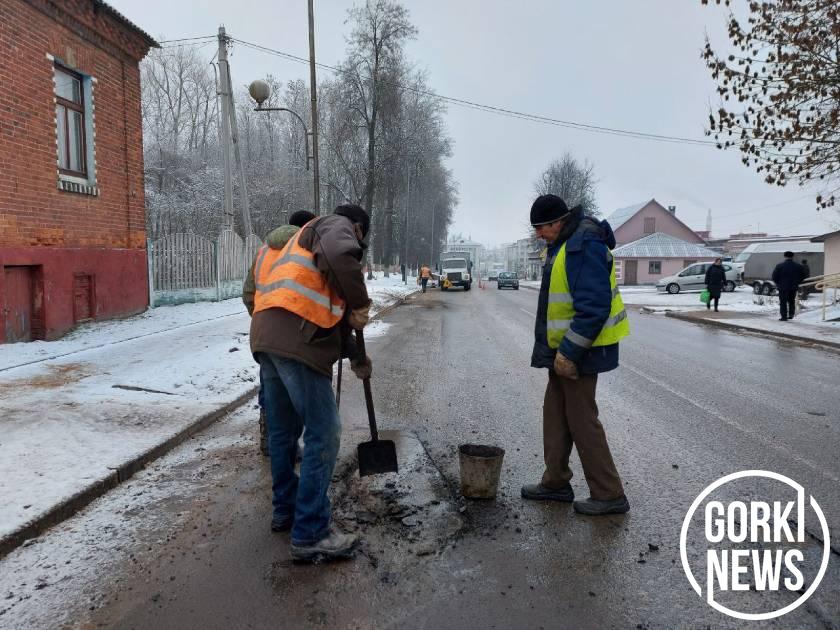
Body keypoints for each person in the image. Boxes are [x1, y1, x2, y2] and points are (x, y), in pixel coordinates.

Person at [249, 204, 373, 562]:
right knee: (324, 431)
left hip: (266, 338)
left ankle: (286, 511)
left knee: (282, 432)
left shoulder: (288, 247)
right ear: (358, 228)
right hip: (297, 341)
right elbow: (340, 256)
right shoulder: (335, 225)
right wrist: (360, 302)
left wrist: (356, 356)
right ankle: (311, 531)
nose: (357, 247)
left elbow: (321, 308)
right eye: (360, 241)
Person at [521, 194, 631, 516]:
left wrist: (569, 352)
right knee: (555, 414)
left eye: (542, 227)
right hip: (564, 350)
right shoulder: (562, 244)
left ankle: (609, 493)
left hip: (583, 350)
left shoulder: (583, 244)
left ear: (559, 221)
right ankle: (555, 482)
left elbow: (594, 306)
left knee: (582, 420)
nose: (538, 234)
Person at [243, 210, 316, 456]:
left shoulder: (264, 252)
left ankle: (270, 438)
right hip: (297, 338)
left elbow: (248, 293)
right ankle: (295, 447)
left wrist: (262, 318)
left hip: (264, 336)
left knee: (271, 390)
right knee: (301, 396)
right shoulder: (307, 251)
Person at [771, 251, 806, 321]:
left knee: (783, 302)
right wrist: (797, 282)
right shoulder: (798, 266)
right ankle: (791, 314)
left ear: (785, 256)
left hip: (782, 287)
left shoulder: (779, 266)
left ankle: (784, 316)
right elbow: (803, 276)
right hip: (793, 287)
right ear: (793, 256)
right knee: (791, 301)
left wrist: (779, 283)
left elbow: (774, 276)